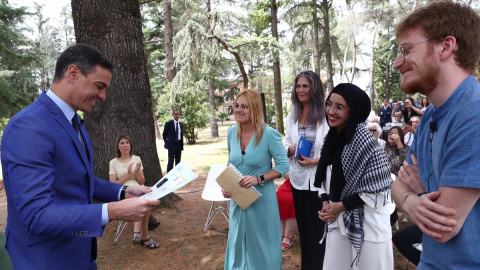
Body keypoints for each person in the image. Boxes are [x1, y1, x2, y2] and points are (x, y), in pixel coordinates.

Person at [0, 44, 160, 269]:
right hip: (46, 260)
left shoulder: (76, 123)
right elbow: (36, 215)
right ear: (73, 73)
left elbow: (78, 178)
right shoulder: (29, 125)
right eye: (99, 86)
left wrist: (123, 191)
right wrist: (111, 211)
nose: (103, 96)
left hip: (81, 257)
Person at [391, 1, 480, 269]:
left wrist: (412, 197)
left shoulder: (473, 115)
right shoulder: (431, 115)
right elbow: (399, 183)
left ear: (445, 45)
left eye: (406, 49)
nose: (397, 63)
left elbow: (442, 227)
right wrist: (410, 199)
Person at [315, 83, 393, 269]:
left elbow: (379, 188)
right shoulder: (331, 138)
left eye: (339, 107)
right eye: (329, 104)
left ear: (354, 111)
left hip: (368, 224)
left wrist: (341, 206)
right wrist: (326, 202)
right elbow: (326, 178)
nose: (331, 111)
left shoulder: (367, 145)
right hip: (338, 220)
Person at [221, 89, 289, 270]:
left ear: (255, 110)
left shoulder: (269, 134)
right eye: (237, 106)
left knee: (261, 246)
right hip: (238, 201)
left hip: (262, 201)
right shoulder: (231, 133)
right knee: (237, 242)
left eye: (245, 106)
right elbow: (230, 163)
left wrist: (258, 179)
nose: (239, 110)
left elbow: (283, 166)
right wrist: (227, 186)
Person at [284, 70, 329, 269]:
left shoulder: (326, 115)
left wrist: (315, 161)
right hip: (298, 180)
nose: (301, 90)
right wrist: (290, 148)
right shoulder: (291, 116)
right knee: (304, 230)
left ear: (314, 88)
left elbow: (333, 149)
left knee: (319, 230)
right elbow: (284, 144)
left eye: (305, 86)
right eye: (298, 86)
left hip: (320, 181)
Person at [109, 135, 159, 249]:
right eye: (122, 143)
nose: (125, 145)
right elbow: (112, 185)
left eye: (127, 142)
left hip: (138, 189)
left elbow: (141, 181)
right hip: (123, 191)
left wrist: (136, 171)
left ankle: (138, 234)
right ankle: (140, 235)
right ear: (118, 146)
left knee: (146, 199)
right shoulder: (113, 162)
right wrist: (127, 175)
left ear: (130, 145)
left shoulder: (136, 158)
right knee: (142, 201)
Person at [276, 173, 298, 251]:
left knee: (291, 201)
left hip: (301, 186)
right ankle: (282, 234)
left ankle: (288, 237)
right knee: (279, 196)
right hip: (289, 183)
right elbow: (285, 174)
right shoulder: (291, 160)